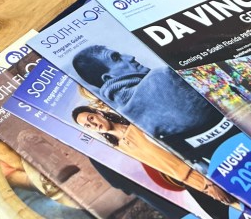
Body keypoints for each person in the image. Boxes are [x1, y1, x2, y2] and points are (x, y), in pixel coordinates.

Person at [70, 44, 234, 169]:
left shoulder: (128, 116)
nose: (130, 57)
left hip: (216, 162)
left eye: (90, 118)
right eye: (117, 58)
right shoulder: (163, 76)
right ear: (108, 77)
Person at [70, 106, 238, 206]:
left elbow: (182, 147)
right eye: (87, 125)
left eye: (91, 118)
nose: (93, 124)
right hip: (190, 185)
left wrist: (209, 181)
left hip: (207, 174)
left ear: (98, 113)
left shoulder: (136, 124)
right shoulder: (119, 148)